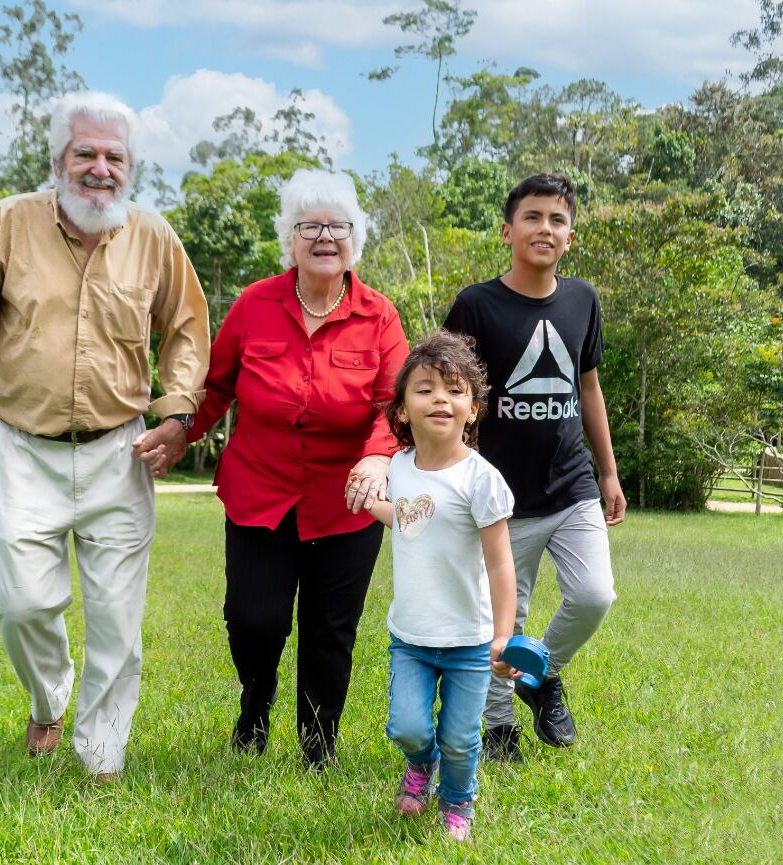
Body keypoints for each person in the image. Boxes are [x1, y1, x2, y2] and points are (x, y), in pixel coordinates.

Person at [0, 91, 209, 782]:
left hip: (119, 448)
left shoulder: (154, 237)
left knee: (115, 617)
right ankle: (49, 696)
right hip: (25, 450)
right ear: (57, 161)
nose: (100, 168)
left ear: (131, 167)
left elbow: (188, 330)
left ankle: (102, 754)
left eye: (114, 156)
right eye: (86, 154)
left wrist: (176, 412)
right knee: (21, 603)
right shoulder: (7, 224)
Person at [186, 169, 408, 768]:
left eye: (338, 226)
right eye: (310, 225)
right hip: (259, 489)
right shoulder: (255, 304)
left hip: (346, 500)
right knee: (252, 620)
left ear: (355, 239)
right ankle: (256, 701)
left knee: (330, 631)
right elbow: (215, 387)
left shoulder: (379, 315)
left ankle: (318, 745)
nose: (324, 236)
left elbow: (396, 404)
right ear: (290, 238)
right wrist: (179, 433)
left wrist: (376, 454)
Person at [442, 173, 623, 762]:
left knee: (595, 595)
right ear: (507, 230)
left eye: (558, 220)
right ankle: (497, 730)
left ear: (570, 236)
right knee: (505, 618)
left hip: (572, 486)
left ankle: (540, 676)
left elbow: (588, 386)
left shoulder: (582, 300)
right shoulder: (476, 304)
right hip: (501, 495)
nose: (545, 228)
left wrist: (609, 472)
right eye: (533, 217)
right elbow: (450, 392)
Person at [353, 330, 522, 844]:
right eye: (424, 389)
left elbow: (500, 564)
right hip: (411, 637)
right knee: (408, 727)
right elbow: (408, 518)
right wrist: (368, 504)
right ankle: (418, 765)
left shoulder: (481, 479)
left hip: (470, 641)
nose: (440, 399)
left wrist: (503, 636)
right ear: (401, 410)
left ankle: (457, 801)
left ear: (473, 409)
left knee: (459, 737)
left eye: (454, 389)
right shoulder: (399, 468)